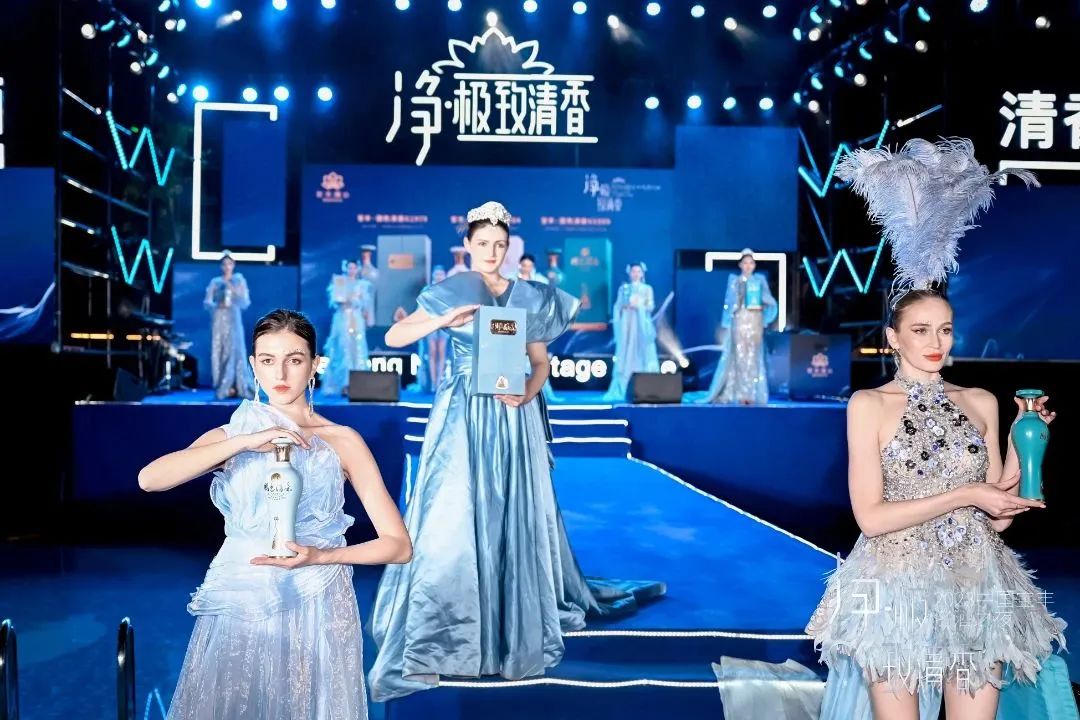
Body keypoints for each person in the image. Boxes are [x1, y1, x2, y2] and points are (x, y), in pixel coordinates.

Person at [806, 139, 1065, 719]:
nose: (936, 342)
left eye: (945, 330)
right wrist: (966, 493)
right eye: (920, 331)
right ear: (893, 338)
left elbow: (998, 517)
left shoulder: (981, 401)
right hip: (895, 590)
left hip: (977, 589)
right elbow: (871, 518)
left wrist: (1023, 448)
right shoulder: (869, 405)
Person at [367, 201, 664, 701]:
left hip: (512, 414)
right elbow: (396, 336)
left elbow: (540, 363)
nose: (491, 252)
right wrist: (443, 320)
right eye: (482, 243)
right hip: (462, 414)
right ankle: (452, 622)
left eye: (499, 245)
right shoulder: (452, 289)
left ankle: (511, 611)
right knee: (452, 513)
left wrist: (528, 392)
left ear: (509, 247)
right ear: (467, 244)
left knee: (513, 509)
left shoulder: (530, 295)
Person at [139, 309, 411, 720]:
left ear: (315, 365)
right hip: (242, 598)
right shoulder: (234, 435)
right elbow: (150, 479)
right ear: (253, 365)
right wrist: (245, 442)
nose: (280, 373)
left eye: (294, 359)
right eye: (267, 360)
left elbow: (398, 546)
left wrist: (322, 556)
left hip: (318, 598)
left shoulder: (342, 441)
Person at [699, 249, 777, 406]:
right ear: (740, 265)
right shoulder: (735, 281)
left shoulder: (759, 281)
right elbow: (730, 305)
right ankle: (740, 393)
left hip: (755, 322)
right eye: (745, 263)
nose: (748, 266)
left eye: (751, 263)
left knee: (753, 357)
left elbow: (770, 302)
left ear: (754, 265)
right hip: (740, 320)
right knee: (739, 356)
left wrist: (763, 306)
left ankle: (751, 393)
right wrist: (739, 300)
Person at [603, 262, 660, 401]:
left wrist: (639, 305)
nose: (636, 274)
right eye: (633, 271)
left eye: (638, 271)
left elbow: (650, 306)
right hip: (627, 324)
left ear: (642, 273)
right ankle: (623, 385)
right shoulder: (624, 288)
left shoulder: (647, 289)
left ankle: (646, 386)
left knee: (643, 351)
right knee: (626, 351)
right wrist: (624, 306)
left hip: (641, 325)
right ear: (629, 273)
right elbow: (617, 306)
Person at [204, 252, 254, 400]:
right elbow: (207, 301)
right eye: (224, 264)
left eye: (229, 264)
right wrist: (216, 305)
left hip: (233, 316)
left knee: (235, 349)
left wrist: (232, 287)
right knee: (220, 348)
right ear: (221, 266)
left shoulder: (238, 280)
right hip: (219, 318)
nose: (227, 266)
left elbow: (245, 301)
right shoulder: (215, 282)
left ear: (233, 265)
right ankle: (223, 386)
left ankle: (238, 385)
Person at [321, 260, 374, 396]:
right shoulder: (339, 282)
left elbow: (365, 305)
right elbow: (334, 301)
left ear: (357, 269)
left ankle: (357, 384)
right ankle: (343, 384)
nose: (351, 270)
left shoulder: (362, 285)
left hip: (356, 319)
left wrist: (358, 304)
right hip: (342, 318)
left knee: (357, 348)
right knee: (342, 348)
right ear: (345, 268)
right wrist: (342, 299)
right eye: (349, 268)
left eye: (354, 268)